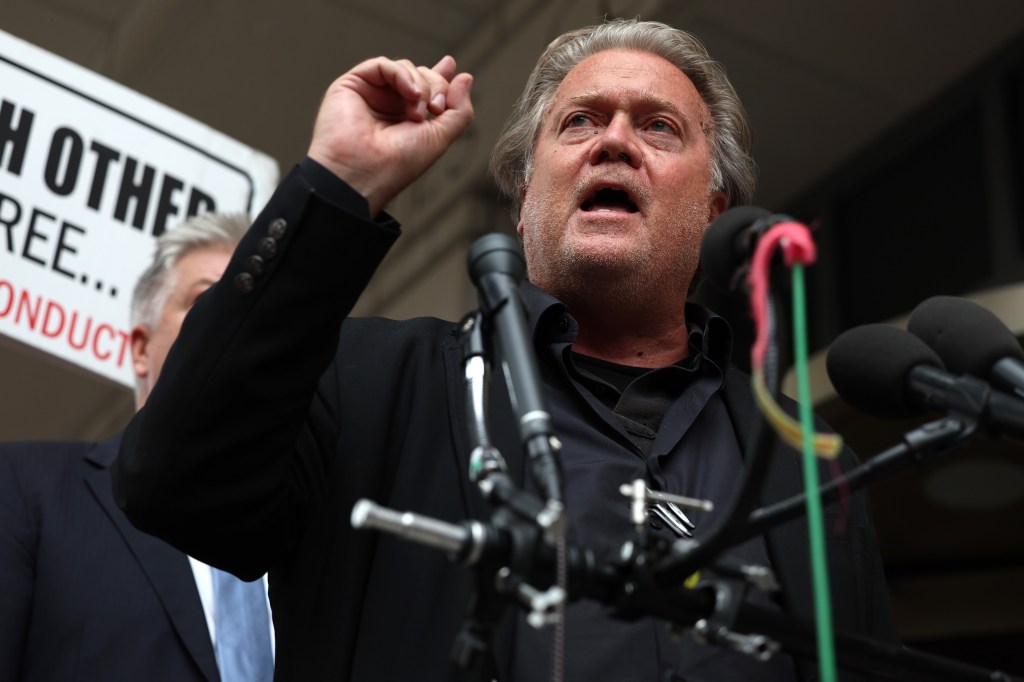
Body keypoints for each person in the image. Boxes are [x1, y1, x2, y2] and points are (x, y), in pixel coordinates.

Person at [112, 19, 897, 682]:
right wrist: (338, 186)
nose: (615, 141)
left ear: (714, 208)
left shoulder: (801, 461)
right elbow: (173, 482)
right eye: (579, 121)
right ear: (524, 202)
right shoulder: (373, 383)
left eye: (658, 126)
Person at [0, 213, 274, 681]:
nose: (238, 320)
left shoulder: (314, 537)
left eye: (260, 308)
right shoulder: (26, 486)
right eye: (208, 299)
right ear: (141, 349)